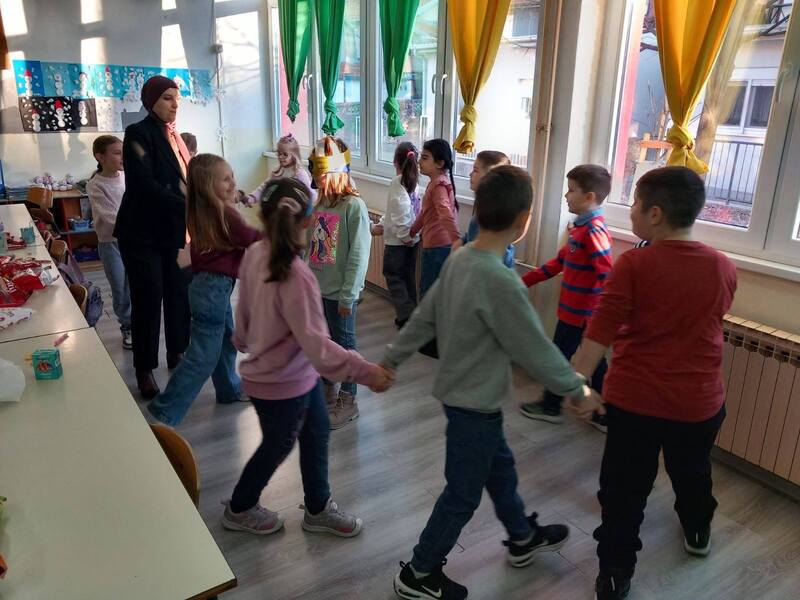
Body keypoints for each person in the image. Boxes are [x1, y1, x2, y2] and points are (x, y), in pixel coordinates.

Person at [382, 166, 599, 600]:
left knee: (500, 470)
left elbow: (423, 316)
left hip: (463, 397)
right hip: (475, 404)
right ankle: (419, 572)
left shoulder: (460, 259)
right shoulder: (500, 280)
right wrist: (579, 389)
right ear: (524, 220)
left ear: (477, 211)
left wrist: (392, 359)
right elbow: (535, 349)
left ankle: (522, 537)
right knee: (463, 494)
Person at [570, 166, 737, 600]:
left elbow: (600, 331)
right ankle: (697, 529)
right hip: (699, 405)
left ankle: (615, 573)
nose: (631, 212)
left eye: (636, 205)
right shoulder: (722, 265)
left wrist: (578, 385)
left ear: (656, 213)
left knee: (623, 491)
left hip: (636, 405)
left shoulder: (634, 264)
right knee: (693, 472)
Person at [222, 177, 392, 537]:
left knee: (316, 432)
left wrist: (243, 338)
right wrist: (366, 372)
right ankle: (239, 507)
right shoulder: (297, 276)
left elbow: (245, 310)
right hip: (280, 384)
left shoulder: (254, 253)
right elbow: (320, 348)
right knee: (277, 446)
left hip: (293, 377)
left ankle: (317, 508)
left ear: (263, 217)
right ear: (310, 220)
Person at [147, 154, 261, 426]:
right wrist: (285, 235)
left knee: (226, 339)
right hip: (212, 290)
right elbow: (252, 238)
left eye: (232, 176)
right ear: (209, 187)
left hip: (208, 288)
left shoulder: (202, 209)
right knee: (203, 356)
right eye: (226, 180)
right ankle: (164, 410)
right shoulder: (226, 214)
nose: (233, 183)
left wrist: (238, 196)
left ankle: (228, 389)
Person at [114, 75, 192, 399]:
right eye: (167, 98)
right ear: (151, 102)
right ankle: (144, 368)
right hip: (142, 233)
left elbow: (187, 179)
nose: (174, 105)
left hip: (174, 232)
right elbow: (143, 185)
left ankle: (177, 351)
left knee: (178, 294)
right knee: (149, 298)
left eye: (177, 99)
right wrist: (189, 205)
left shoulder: (177, 138)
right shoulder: (138, 133)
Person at [518, 164, 613, 431]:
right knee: (595, 363)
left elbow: (607, 274)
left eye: (571, 190)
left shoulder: (594, 231)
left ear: (589, 197)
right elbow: (558, 263)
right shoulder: (580, 230)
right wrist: (523, 281)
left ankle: (551, 406)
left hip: (581, 314)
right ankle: (604, 414)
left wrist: (603, 313)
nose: (566, 195)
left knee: (558, 358)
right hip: (574, 312)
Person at [307, 136, 372, 429]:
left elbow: (358, 255)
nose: (314, 178)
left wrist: (349, 295)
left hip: (340, 294)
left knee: (345, 346)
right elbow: (312, 248)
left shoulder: (353, 207)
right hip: (318, 289)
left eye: (317, 172)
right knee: (324, 341)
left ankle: (349, 399)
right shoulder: (321, 204)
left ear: (332, 171)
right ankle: (327, 384)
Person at [86, 134, 131, 349]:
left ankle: (138, 322)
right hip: (110, 244)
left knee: (133, 285)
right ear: (100, 157)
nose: (122, 157)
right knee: (120, 287)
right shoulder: (95, 185)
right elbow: (109, 216)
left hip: (133, 241)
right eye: (117, 153)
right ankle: (127, 326)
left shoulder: (127, 177)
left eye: (123, 152)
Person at [370, 142, 421, 329]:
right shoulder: (414, 182)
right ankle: (412, 314)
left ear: (395, 162)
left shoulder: (397, 183)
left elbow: (400, 211)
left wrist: (405, 236)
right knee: (408, 277)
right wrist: (383, 223)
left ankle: (406, 316)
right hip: (412, 240)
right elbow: (398, 210)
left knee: (393, 276)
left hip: (399, 243)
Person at [410, 138, 460, 297]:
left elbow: (445, 212)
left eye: (425, 158)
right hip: (437, 245)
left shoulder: (439, 185)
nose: (419, 162)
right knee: (433, 292)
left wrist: (456, 239)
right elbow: (425, 212)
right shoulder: (436, 183)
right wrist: (412, 231)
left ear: (439, 163)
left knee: (429, 293)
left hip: (437, 248)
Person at [452, 150, 514, 267]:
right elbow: (474, 234)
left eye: (475, 170)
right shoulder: (484, 203)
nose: (470, 174)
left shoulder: (495, 211)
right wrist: (462, 241)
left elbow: (495, 253)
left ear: (490, 178)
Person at [243, 133, 315, 205]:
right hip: (279, 208)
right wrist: (252, 198)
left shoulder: (299, 174)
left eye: (285, 154)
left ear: (294, 155)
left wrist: (315, 208)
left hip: (295, 209)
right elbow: (265, 187)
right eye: (279, 153)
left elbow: (311, 194)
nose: (280, 157)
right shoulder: (277, 172)